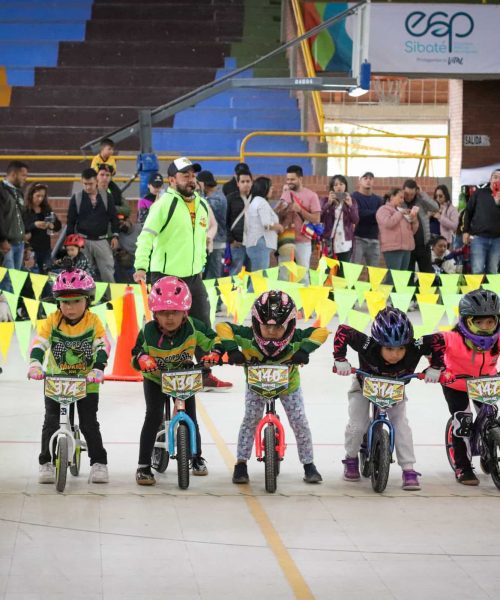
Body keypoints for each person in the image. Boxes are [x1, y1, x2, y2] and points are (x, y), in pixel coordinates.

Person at [207, 290, 327, 484]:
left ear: (289, 326)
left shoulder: (296, 337)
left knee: (299, 422)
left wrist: (305, 350)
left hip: (289, 385)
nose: (271, 331)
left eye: (278, 327)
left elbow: (321, 331)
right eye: (266, 326)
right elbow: (222, 326)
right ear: (256, 323)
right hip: (256, 385)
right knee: (250, 419)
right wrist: (232, 350)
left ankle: (309, 465)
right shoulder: (248, 336)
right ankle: (240, 464)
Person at [133, 156, 231, 390]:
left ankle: (204, 374)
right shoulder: (164, 204)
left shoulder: (201, 203)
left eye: (193, 175)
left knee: (202, 324)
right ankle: (156, 375)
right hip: (166, 276)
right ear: (171, 179)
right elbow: (146, 236)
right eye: (185, 175)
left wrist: (201, 264)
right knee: (164, 327)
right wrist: (140, 267)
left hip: (193, 276)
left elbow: (202, 239)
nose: (191, 179)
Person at [334, 307, 446, 490]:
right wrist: (340, 359)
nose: (395, 354)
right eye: (389, 349)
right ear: (378, 344)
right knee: (358, 424)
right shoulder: (367, 345)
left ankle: (408, 470)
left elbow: (438, 340)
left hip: (395, 388)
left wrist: (437, 366)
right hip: (363, 386)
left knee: (400, 424)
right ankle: (351, 458)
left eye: (401, 348)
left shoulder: (415, 347)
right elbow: (343, 331)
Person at [132, 276, 219, 484]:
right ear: (155, 313)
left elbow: (214, 338)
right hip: (156, 378)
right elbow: (135, 354)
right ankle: (143, 466)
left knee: (191, 416)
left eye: (175, 313)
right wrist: (143, 359)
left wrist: (215, 352)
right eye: (163, 313)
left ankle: (196, 457)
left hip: (183, 377)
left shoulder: (194, 327)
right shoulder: (148, 331)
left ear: (185, 312)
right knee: (153, 416)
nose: (169, 318)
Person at [27, 268, 110, 484]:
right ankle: (45, 462)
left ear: (87, 301)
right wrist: (35, 364)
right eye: (64, 302)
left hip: (86, 381)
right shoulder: (53, 321)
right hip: (57, 381)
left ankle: (99, 462)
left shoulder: (93, 321)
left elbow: (102, 344)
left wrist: (98, 368)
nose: (70, 307)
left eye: (75, 302)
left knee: (89, 423)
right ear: (58, 303)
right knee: (51, 422)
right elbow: (40, 342)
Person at [440, 289, 500, 485]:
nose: (485, 327)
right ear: (466, 321)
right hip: (456, 382)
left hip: (484, 381)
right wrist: (436, 367)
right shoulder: (453, 337)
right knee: (463, 421)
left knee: (490, 415)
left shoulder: (496, 339)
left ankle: (487, 446)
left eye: (490, 322)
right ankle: (462, 465)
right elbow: (429, 346)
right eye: (479, 322)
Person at [66, 168, 120, 283]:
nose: (87, 187)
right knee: (82, 274)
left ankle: (112, 299)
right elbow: (70, 221)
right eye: (85, 184)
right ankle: (85, 299)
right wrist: (70, 243)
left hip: (101, 239)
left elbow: (114, 218)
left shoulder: (106, 197)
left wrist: (115, 235)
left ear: (96, 181)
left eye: (90, 184)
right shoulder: (77, 198)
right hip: (82, 241)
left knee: (108, 273)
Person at [275, 165, 321, 278]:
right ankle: (284, 295)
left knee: (303, 274)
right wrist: (282, 210)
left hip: (303, 240)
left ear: (300, 179)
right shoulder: (285, 194)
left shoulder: (312, 196)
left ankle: (303, 295)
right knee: (283, 273)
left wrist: (301, 210)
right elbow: (278, 216)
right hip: (285, 238)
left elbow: (316, 218)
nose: (289, 182)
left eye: (292, 179)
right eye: (288, 179)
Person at [463, 169, 500, 275]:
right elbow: (468, 211)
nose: (498, 180)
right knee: (477, 270)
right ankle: (477, 292)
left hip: (497, 240)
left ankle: (491, 292)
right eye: (495, 177)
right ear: (490, 179)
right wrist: (465, 231)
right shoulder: (480, 193)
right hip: (478, 238)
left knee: (492, 271)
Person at [376, 187, 419, 275]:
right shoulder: (383, 210)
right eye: (400, 197)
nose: (402, 200)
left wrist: (414, 220)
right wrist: (400, 213)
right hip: (393, 248)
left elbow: (412, 231)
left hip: (406, 248)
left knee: (402, 278)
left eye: (403, 198)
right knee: (393, 277)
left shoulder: (401, 211)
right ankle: (388, 289)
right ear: (391, 197)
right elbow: (389, 223)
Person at [245, 177, 282, 272]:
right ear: (264, 188)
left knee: (259, 278)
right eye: (270, 187)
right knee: (259, 279)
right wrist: (279, 227)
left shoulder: (255, 201)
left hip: (254, 244)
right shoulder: (262, 202)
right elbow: (266, 224)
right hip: (260, 244)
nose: (272, 189)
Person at [23, 182, 61, 274]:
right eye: (38, 196)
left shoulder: (46, 209)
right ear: (31, 195)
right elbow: (21, 228)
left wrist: (52, 226)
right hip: (31, 249)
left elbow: (58, 225)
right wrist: (35, 225)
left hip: (45, 248)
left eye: (43, 196)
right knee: (33, 276)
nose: (40, 199)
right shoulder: (24, 210)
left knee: (45, 275)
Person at [403, 179, 439, 275]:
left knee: (427, 275)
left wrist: (422, 194)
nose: (409, 197)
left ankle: (429, 290)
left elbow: (436, 208)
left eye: (412, 194)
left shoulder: (421, 200)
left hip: (423, 244)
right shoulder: (400, 202)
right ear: (403, 191)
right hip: (407, 246)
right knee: (408, 276)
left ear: (416, 192)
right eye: (407, 194)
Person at [320, 175, 359, 264]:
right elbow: (319, 218)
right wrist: (328, 203)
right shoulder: (325, 200)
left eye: (341, 184)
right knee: (327, 271)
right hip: (329, 241)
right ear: (332, 188)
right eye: (336, 185)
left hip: (345, 242)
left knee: (342, 272)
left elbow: (356, 220)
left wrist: (350, 206)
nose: (339, 187)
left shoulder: (352, 201)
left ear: (345, 186)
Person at [197, 170, 227, 280]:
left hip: (216, 242)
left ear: (204, 184)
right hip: (211, 242)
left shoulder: (216, 199)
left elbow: (203, 209)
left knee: (213, 276)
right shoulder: (212, 197)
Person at [0, 160, 29, 273]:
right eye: (23, 175)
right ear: (13, 174)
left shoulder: (18, 192)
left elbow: (21, 217)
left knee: (16, 281)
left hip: (19, 243)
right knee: (7, 280)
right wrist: (2, 240)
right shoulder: (1, 190)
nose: (25, 178)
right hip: (7, 243)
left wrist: (27, 244)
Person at [351, 171, 383, 267]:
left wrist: (367, 214)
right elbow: (358, 215)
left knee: (374, 273)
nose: (368, 180)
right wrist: (375, 214)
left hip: (374, 240)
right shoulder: (353, 197)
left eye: (371, 178)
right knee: (353, 270)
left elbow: (380, 217)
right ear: (359, 181)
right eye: (365, 178)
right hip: (357, 239)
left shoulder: (378, 199)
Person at [226, 170, 253, 275]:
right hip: (237, 243)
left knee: (252, 274)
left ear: (252, 182)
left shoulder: (256, 199)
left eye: (248, 181)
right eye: (242, 181)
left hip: (252, 244)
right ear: (238, 183)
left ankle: (250, 292)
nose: (245, 184)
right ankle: (234, 292)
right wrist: (231, 240)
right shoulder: (230, 199)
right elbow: (225, 221)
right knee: (235, 272)